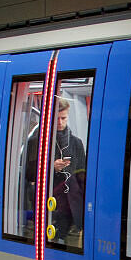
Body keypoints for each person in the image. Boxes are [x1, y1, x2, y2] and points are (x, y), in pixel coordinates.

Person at [25, 99, 86, 243]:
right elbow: (29, 174)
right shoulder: (37, 141)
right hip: (45, 202)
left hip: (70, 204)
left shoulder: (76, 143)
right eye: (56, 118)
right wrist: (50, 167)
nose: (60, 122)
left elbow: (83, 174)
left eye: (63, 118)